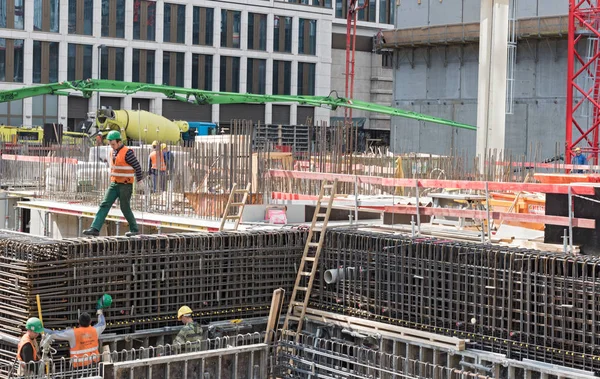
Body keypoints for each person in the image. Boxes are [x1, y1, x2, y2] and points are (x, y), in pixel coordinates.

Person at [82, 130, 144, 237]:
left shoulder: (127, 152)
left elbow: (137, 166)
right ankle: (95, 228)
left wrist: (140, 181)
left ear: (119, 142)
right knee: (104, 204)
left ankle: (134, 229)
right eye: (110, 144)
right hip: (114, 184)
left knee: (125, 207)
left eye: (113, 144)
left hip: (125, 185)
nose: (111, 146)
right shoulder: (112, 152)